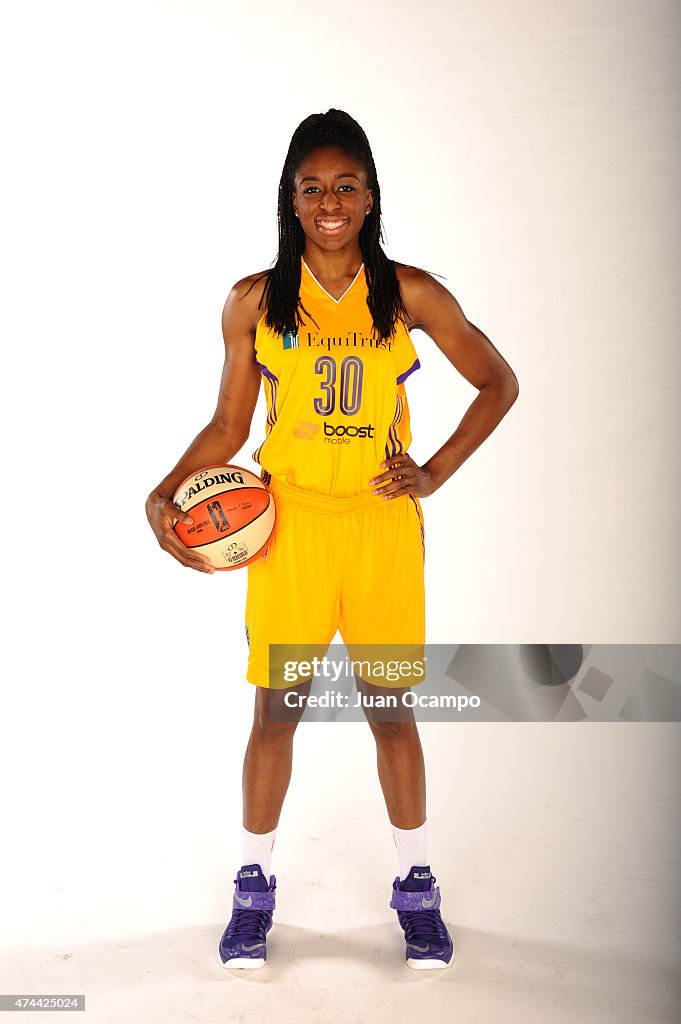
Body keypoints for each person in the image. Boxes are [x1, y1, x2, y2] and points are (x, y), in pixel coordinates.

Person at [145, 108, 519, 971]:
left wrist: (434, 471)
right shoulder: (254, 300)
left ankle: (415, 888)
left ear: (370, 193)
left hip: (380, 530)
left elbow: (496, 382)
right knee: (277, 714)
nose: (329, 201)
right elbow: (229, 423)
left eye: (344, 185)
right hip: (292, 530)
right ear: (290, 195)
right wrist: (164, 490)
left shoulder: (409, 291)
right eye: (311, 186)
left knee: (391, 712)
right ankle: (252, 887)